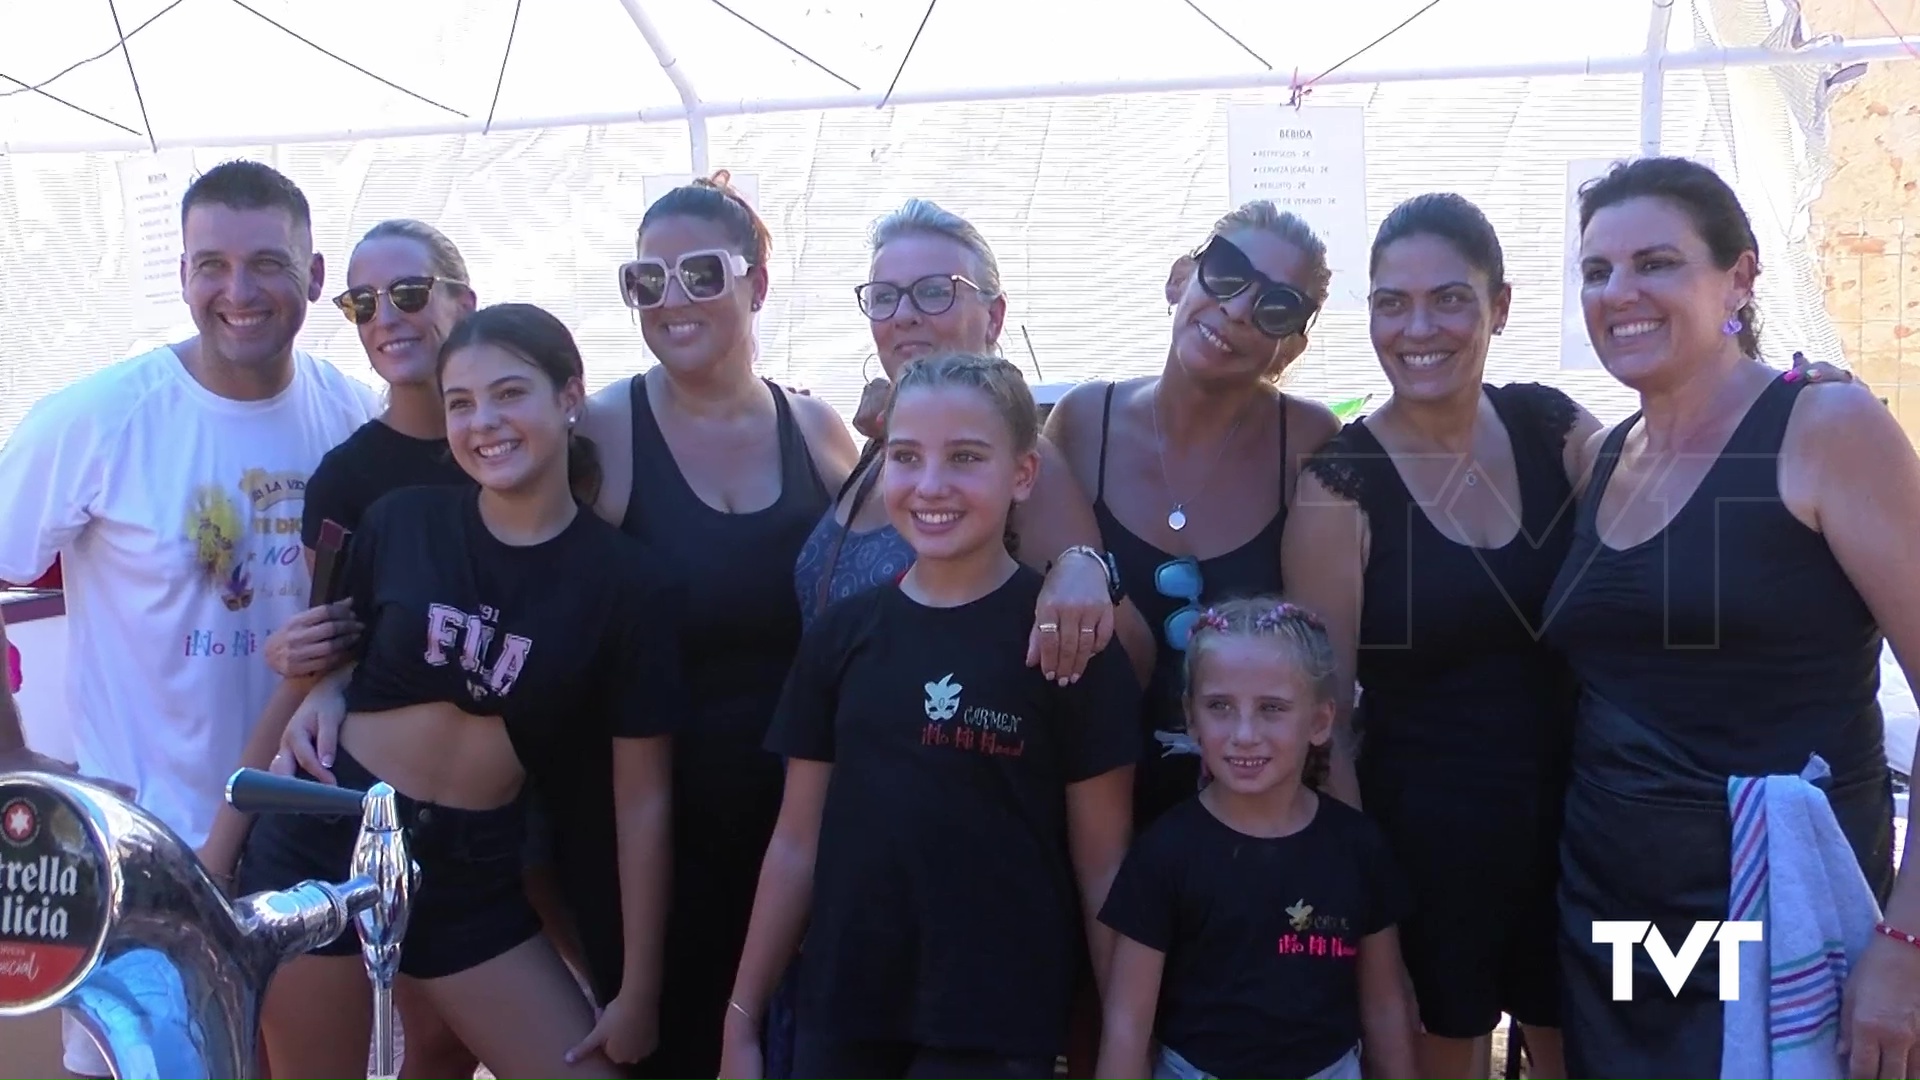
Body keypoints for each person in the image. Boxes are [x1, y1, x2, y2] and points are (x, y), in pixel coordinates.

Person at [0, 159, 379, 1079]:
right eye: (210, 264)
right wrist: (15, 764)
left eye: (267, 265)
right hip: (148, 860)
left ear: (317, 276)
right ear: (181, 274)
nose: (237, 292)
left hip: (305, 846)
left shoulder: (351, 413)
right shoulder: (97, 419)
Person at [1545, 156, 1920, 1080]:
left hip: (1782, 927)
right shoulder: (1601, 456)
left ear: (1740, 278)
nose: (1619, 293)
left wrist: (1907, 942)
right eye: (1597, 271)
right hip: (1620, 930)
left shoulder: (1825, 428)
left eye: (1656, 263)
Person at [236, 303, 681, 1080]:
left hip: (469, 869)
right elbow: (309, 675)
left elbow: (641, 799)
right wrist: (215, 858)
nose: (485, 423)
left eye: (510, 394)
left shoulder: (626, 583)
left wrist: (637, 988)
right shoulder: (401, 523)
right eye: (461, 403)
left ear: (569, 396)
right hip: (327, 832)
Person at [719, 352, 1139, 1080]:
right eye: (906, 457)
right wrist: (742, 1020)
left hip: (997, 1026)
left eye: (967, 457)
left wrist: (1125, 1046)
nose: (932, 485)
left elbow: (1103, 867)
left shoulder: (1066, 644)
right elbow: (796, 842)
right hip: (843, 1014)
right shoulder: (840, 637)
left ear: (1022, 475)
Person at [1284, 193, 1595, 1080]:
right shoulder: (1340, 484)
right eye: (1392, 302)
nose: (1419, 327)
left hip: (1581, 835)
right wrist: (1367, 913)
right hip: (1426, 855)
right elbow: (1325, 722)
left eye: (1450, 298)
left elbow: (1658, 477)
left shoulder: (1549, 425)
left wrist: (1784, 401)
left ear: (1499, 306)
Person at [200, 218, 493, 1080]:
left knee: (444, 1046)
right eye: (362, 303)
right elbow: (314, 668)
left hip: (490, 827)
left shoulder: (537, 448)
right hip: (340, 819)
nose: (385, 319)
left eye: (408, 294)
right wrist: (217, 859)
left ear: (462, 301)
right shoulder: (349, 477)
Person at [1045, 201, 1350, 829]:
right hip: (1089, 809)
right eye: (1227, 273)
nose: (1237, 309)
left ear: (1289, 345)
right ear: (1181, 278)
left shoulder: (1310, 441)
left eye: (1276, 306)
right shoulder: (1082, 424)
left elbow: (1330, 671)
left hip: (1251, 823)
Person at [796, 197, 1151, 681]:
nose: (904, 314)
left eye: (935, 291)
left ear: (995, 317)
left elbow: (1125, 658)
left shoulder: (1018, 462)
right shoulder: (884, 446)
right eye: (885, 295)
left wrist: (1086, 570)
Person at [1094, 597, 1418, 1080]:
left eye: (1272, 708)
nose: (1244, 734)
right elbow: (1126, 1024)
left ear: (1320, 722)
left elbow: (1386, 1010)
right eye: (1220, 706)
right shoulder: (1164, 853)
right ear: (1191, 716)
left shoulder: (1358, 848)